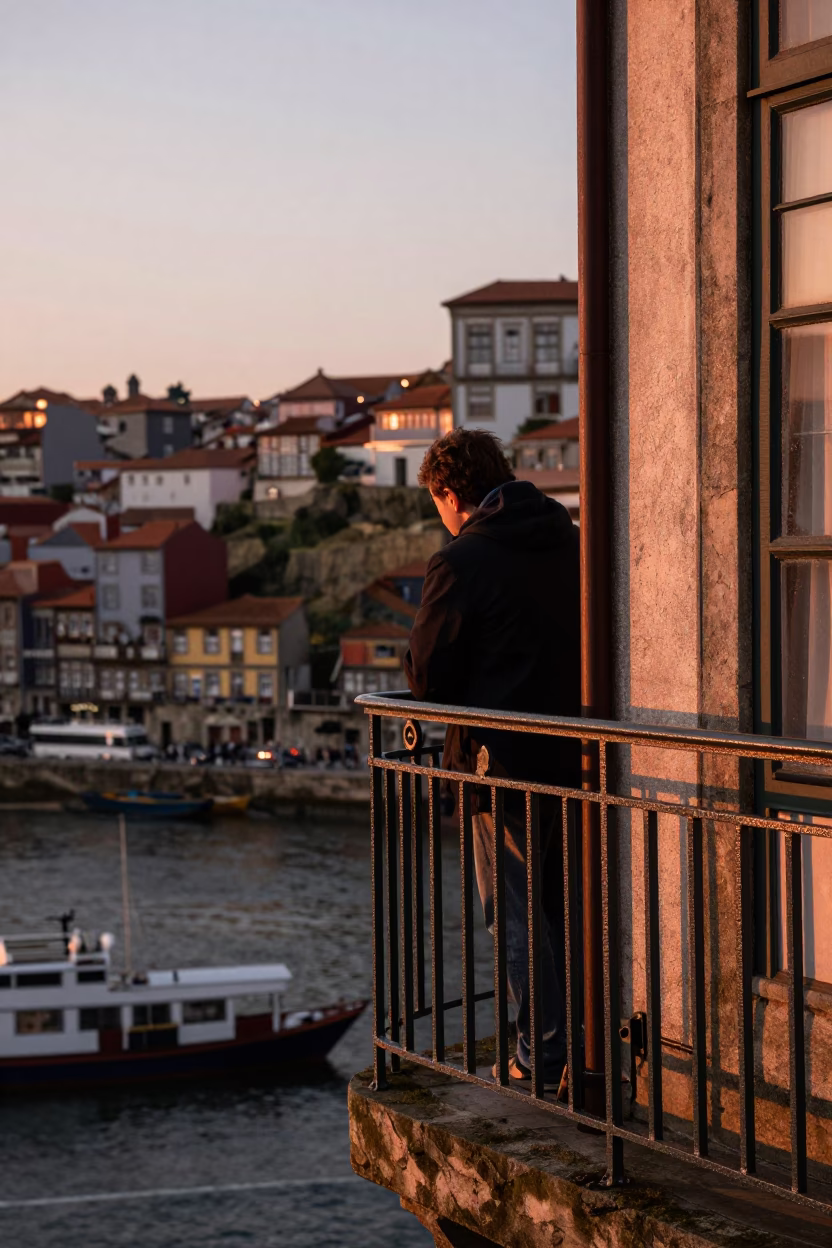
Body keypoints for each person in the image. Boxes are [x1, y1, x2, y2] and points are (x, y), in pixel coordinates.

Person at [404, 428, 581, 1090]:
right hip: (576, 759)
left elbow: (428, 678)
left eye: (437, 503)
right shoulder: (566, 536)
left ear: (451, 494)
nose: (442, 518)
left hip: (498, 766)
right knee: (564, 910)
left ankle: (541, 1055)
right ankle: (573, 1041)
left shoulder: (462, 559)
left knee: (513, 916)